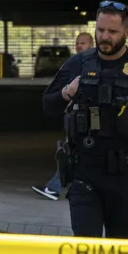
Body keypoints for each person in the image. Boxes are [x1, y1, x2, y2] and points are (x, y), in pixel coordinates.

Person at [42, 0, 128, 240]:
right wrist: (67, 92)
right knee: (87, 252)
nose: (104, 37)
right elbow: (48, 104)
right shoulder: (78, 63)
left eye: (112, 31)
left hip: (127, 177)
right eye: (100, 30)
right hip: (85, 173)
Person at [32, 31, 94, 200]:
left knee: (72, 152)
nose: (79, 46)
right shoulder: (74, 63)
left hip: (89, 117)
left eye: (83, 43)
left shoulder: (94, 64)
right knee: (72, 152)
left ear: (91, 45)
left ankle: (55, 187)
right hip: (74, 115)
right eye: (77, 43)